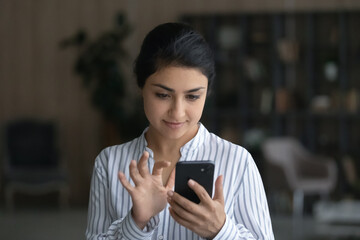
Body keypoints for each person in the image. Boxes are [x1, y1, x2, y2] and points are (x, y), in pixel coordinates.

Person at [86, 22, 274, 240]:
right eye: (163, 95)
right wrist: (136, 222)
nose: (177, 112)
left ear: (207, 93)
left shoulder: (238, 162)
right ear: (141, 88)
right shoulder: (109, 164)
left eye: (192, 96)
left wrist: (220, 230)